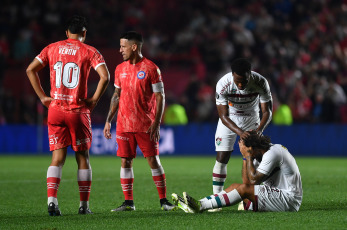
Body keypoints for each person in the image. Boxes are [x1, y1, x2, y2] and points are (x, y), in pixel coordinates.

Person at [26, 15, 110, 216]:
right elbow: (105, 76)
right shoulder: (90, 51)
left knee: (57, 158)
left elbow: (30, 69)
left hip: (55, 110)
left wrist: (43, 98)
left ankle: (52, 202)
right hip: (77, 110)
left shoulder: (51, 48)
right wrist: (95, 99)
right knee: (82, 157)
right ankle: (83, 206)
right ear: (84, 33)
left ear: (66, 33)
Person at [103, 31, 177, 211]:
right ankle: (128, 202)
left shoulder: (151, 69)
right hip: (124, 124)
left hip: (146, 125)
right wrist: (108, 120)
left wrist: (157, 122)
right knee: (125, 161)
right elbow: (116, 95)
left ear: (134, 47)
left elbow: (160, 97)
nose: (120, 50)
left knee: (153, 160)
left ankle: (163, 201)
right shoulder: (120, 69)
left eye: (123, 46)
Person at [174, 130, 303, 213]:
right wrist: (246, 156)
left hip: (289, 199)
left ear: (251, 148)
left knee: (243, 190)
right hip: (277, 196)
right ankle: (199, 203)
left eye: (243, 149)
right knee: (236, 187)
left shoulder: (273, 153)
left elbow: (252, 181)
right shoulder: (259, 154)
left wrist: (246, 156)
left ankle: (200, 206)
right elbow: (247, 183)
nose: (242, 151)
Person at [211, 58, 273, 211]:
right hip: (230, 119)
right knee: (222, 157)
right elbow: (223, 116)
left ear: (250, 75)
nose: (240, 84)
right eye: (237, 81)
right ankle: (217, 200)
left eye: (244, 80)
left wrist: (258, 130)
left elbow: (267, 111)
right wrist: (240, 132)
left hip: (252, 118)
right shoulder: (223, 84)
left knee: (254, 156)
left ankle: (247, 199)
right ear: (232, 75)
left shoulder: (260, 82)